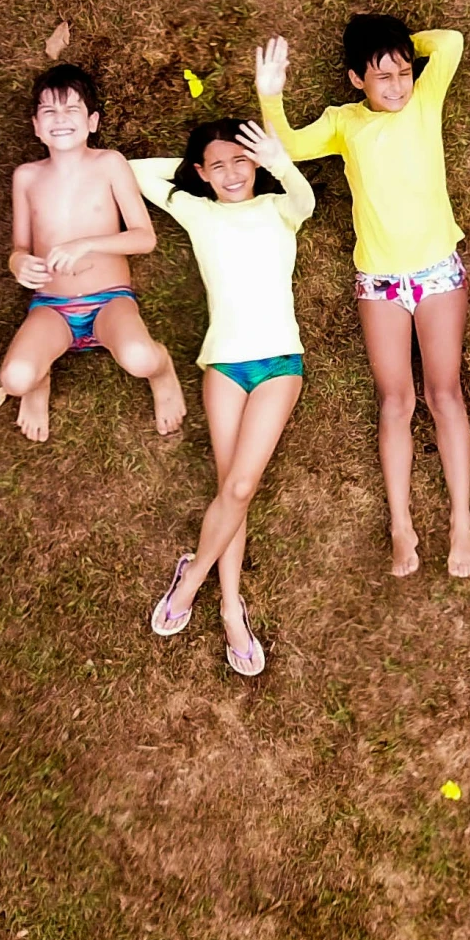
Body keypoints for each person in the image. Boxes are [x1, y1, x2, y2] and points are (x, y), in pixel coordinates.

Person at [259, 14, 470, 578]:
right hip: (379, 283)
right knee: (395, 403)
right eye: (383, 77)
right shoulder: (343, 123)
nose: (399, 85)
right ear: (356, 80)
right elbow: (289, 145)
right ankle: (401, 525)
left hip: (437, 273)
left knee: (444, 394)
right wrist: (270, 97)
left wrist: (404, 47)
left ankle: (460, 521)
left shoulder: (426, 98)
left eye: (403, 71)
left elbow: (449, 43)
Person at [133, 69, 313, 675]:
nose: (233, 172)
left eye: (241, 160)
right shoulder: (196, 210)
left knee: (239, 488)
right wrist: (189, 166)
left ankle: (196, 586)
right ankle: (231, 605)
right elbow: (127, 174)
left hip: (280, 363)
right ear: (202, 174)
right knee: (229, 488)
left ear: (256, 165)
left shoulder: (277, 206)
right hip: (223, 365)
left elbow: (306, 198)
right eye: (218, 165)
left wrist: (278, 159)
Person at [0, 24, 187, 442]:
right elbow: (19, 247)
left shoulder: (109, 163)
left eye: (72, 110)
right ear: (36, 127)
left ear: (92, 121)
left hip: (110, 301)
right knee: (15, 378)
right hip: (50, 306)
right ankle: (40, 377)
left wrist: (87, 244)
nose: (60, 120)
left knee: (138, 357)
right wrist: (18, 263)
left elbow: (143, 238)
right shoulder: (26, 176)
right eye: (49, 112)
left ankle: (162, 367)